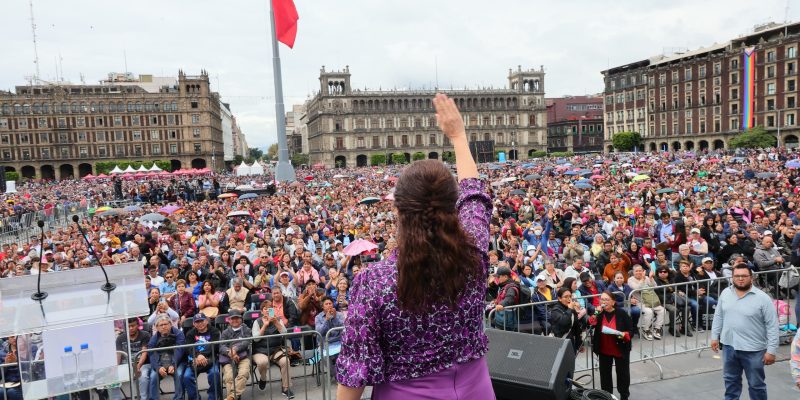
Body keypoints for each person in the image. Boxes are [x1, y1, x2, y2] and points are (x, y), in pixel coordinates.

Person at [337, 93, 494, 399]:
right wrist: (459, 136)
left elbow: (355, 372)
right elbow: (474, 196)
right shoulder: (473, 255)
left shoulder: (375, 282)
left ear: (398, 211)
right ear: (452, 207)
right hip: (476, 389)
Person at [711, 263, 779, 400]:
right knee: (731, 383)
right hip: (729, 347)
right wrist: (714, 336)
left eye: (744, 276)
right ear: (732, 277)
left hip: (753, 350)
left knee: (756, 385)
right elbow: (718, 316)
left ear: (751, 278)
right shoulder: (725, 293)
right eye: (737, 276)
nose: (740, 279)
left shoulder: (763, 298)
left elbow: (772, 325)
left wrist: (771, 351)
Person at [589, 291, 633, 400]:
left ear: (613, 302)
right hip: (604, 349)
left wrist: (623, 334)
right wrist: (595, 313)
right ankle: (607, 396)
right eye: (602, 299)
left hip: (620, 348)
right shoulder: (599, 314)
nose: (603, 302)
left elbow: (631, 330)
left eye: (606, 299)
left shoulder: (621, 313)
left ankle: (624, 395)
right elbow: (590, 323)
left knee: (623, 374)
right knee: (605, 375)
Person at [252, 300, 294, 398]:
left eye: (270, 309)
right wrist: (265, 325)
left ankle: (286, 388)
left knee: (285, 361)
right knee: (262, 362)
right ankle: (263, 378)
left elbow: (285, 333)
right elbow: (256, 339)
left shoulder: (278, 320)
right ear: (262, 311)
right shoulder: (257, 322)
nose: (267, 311)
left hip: (276, 349)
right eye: (265, 309)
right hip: (260, 350)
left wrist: (275, 322)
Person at [183, 313, 221, 400]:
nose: (200, 324)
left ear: (207, 321)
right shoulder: (190, 333)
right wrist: (198, 356)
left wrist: (202, 356)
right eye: (197, 322)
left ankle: (213, 397)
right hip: (195, 360)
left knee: (214, 373)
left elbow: (215, 347)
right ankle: (195, 398)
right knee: (187, 376)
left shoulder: (214, 331)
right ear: (193, 324)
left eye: (202, 321)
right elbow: (189, 348)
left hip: (210, 359)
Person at [147, 315, 186, 400]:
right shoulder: (154, 339)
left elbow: (180, 350)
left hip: (177, 362)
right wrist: (158, 367)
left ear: (170, 324)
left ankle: (178, 398)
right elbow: (151, 354)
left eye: (166, 324)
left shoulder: (179, 334)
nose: (164, 326)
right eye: (161, 325)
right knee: (153, 377)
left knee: (179, 374)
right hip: (161, 363)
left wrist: (173, 364)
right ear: (156, 327)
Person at [219, 310, 251, 400]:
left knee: (243, 373)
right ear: (229, 320)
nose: (235, 320)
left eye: (237, 318)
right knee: (228, 377)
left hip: (244, 356)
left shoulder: (246, 329)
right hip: (228, 358)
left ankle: (232, 397)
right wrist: (230, 352)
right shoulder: (225, 332)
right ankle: (235, 397)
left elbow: (247, 342)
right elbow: (221, 346)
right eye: (232, 318)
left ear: (241, 319)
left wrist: (235, 349)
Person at [115, 318, 151, 400]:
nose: (131, 328)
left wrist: (137, 366)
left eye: (133, 326)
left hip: (143, 364)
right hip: (126, 365)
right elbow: (118, 355)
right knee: (114, 379)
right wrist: (116, 369)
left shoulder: (145, 335)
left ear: (138, 325)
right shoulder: (120, 338)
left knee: (143, 376)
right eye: (128, 326)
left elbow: (144, 352)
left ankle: (144, 398)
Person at [549, 287, 587, 353]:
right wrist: (569, 309)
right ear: (559, 299)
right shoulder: (555, 310)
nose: (569, 299)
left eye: (570, 296)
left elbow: (576, 327)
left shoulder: (571, 309)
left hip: (570, 341)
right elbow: (564, 322)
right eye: (566, 297)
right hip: (559, 342)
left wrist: (579, 344)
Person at [315, 296, 345, 379]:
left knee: (344, 354)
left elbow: (343, 327)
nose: (329, 305)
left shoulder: (339, 314)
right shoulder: (318, 317)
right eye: (326, 304)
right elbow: (319, 332)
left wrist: (335, 318)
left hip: (338, 342)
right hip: (325, 344)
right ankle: (337, 376)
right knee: (324, 357)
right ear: (323, 306)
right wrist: (326, 320)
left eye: (330, 303)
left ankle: (340, 375)